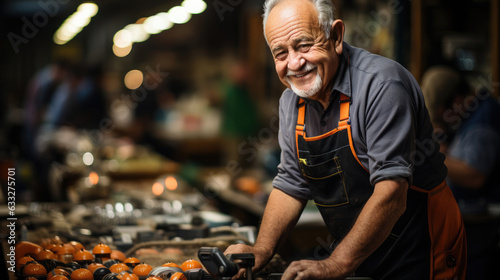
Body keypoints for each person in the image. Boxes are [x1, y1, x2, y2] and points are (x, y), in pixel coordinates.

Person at [224, 0, 467, 279]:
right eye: (280, 53)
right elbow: (291, 183)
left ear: (336, 36)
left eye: (304, 45)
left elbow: (392, 194)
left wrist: (337, 263)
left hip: (422, 249)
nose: (294, 63)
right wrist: (262, 250)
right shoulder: (291, 101)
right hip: (361, 253)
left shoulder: (382, 85)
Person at [421, 65, 500, 279]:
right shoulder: (470, 114)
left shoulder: (482, 122)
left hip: (482, 232)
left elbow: (474, 174)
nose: (442, 120)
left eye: (441, 114)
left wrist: (431, 156)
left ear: (456, 100)